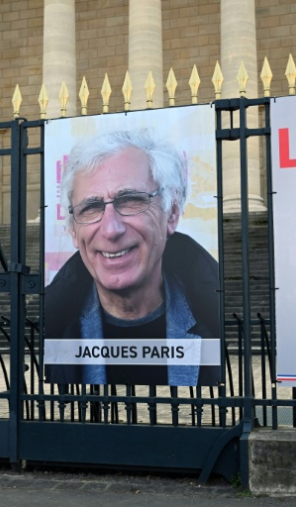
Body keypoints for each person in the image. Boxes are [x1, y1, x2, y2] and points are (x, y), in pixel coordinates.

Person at [44, 129, 220, 386]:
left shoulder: (220, 326)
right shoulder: (46, 334)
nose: (111, 229)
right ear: (72, 229)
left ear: (171, 213)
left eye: (130, 201)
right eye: (91, 207)